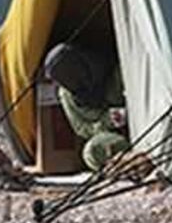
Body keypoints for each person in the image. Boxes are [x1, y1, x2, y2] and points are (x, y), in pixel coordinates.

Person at [43, 43, 131, 173]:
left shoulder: (113, 68)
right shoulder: (67, 95)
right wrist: (107, 121)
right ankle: (122, 165)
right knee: (91, 151)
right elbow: (81, 128)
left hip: (139, 121)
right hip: (111, 135)